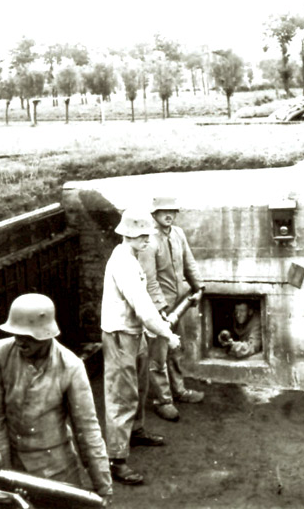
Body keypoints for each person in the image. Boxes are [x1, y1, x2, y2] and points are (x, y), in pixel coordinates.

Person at [0, 293, 112, 504]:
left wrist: (103, 488)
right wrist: (4, 477)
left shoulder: (70, 366)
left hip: (58, 469)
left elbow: (87, 430)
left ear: (47, 333)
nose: (21, 341)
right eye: (16, 333)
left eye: (29, 336)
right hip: (14, 464)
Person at [102, 207, 181, 486]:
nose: (148, 240)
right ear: (129, 236)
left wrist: (155, 323)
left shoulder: (131, 257)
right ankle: (116, 459)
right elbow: (141, 304)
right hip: (121, 334)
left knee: (139, 385)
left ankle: (135, 432)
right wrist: (167, 334)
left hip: (134, 333)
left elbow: (144, 305)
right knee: (122, 395)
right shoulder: (123, 263)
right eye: (143, 236)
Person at [140, 196, 204, 422]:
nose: (169, 215)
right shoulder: (149, 241)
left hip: (180, 305)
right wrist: (160, 308)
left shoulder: (178, 234)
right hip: (161, 308)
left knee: (177, 350)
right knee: (158, 356)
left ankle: (179, 390)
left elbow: (189, 262)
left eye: (172, 211)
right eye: (164, 211)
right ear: (154, 214)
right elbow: (149, 280)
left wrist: (199, 286)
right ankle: (162, 400)